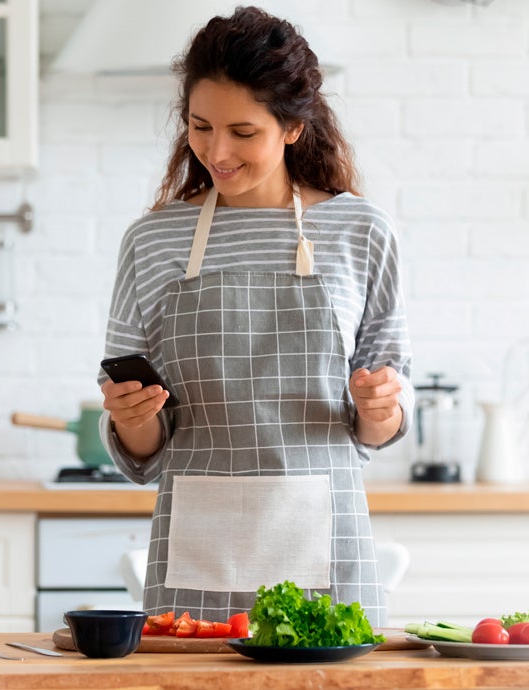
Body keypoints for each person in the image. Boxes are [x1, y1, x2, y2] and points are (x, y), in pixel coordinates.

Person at [97, 5, 412, 627]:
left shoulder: (360, 231)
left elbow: (381, 426)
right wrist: (131, 418)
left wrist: (382, 408)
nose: (217, 150)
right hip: (196, 554)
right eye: (200, 125)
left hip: (327, 546)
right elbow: (145, 453)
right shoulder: (153, 240)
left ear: (292, 128)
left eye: (243, 132)